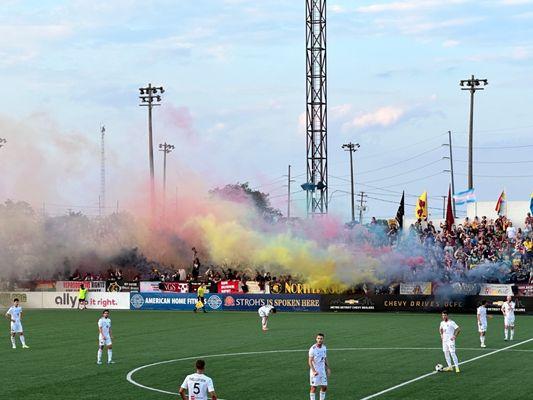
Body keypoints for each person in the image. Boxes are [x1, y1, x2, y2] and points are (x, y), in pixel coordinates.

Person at [309, 333, 330, 400]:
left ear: (323, 339)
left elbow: (325, 358)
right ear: (316, 339)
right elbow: (309, 361)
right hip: (315, 371)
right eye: (318, 338)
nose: (319, 340)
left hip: (322, 371)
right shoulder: (313, 349)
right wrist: (314, 371)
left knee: (324, 386)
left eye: (321, 338)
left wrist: (328, 368)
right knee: (314, 387)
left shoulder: (324, 347)